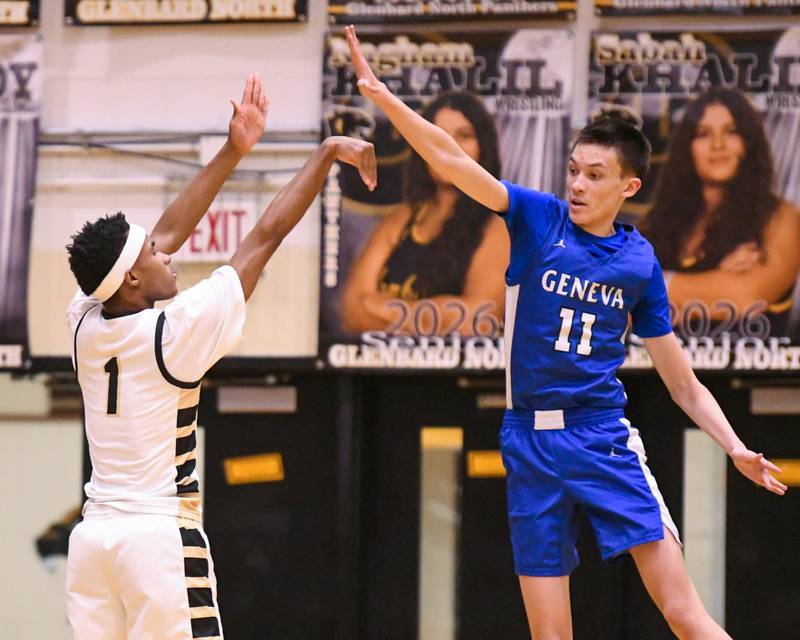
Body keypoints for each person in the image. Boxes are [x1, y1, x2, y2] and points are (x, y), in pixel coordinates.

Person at [345, 25, 787, 640]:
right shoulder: (538, 219)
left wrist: (734, 446)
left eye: (595, 175)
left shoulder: (638, 264)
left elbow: (682, 384)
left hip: (600, 435)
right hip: (527, 439)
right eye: (574, 170)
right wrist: (382, 96)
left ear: (627, 187)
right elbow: (451, 157)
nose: (577, 184)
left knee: (685, 616)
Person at [64, 73, 376, 640]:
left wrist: (236, 148)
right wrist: (326, 153)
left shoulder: (84, 320)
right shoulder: (173, 332)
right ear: (133, 277)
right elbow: (264, 237)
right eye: (154, 254)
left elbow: (167, 231)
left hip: (92, 544)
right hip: (155, 539)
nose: (167, 253)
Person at [340, 91, 508, 337]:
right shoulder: (401, 221)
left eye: (464, 136)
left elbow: (480, 319)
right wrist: (442, 313)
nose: (449, 148)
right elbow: (351, 312)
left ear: (484, 147)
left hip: (459, 374)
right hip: (381, 369)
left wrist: (383, 308)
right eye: (437, 136)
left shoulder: (498, 226)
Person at [642, 88, 800, 324]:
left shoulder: (781, 218)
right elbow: (617, 304)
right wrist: (718, 279)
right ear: (687, 148)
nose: (718, 144)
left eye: (731, 132)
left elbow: (745, 297)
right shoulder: (656, 223)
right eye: (703, 134)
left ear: (749, 143)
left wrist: (652, 288)